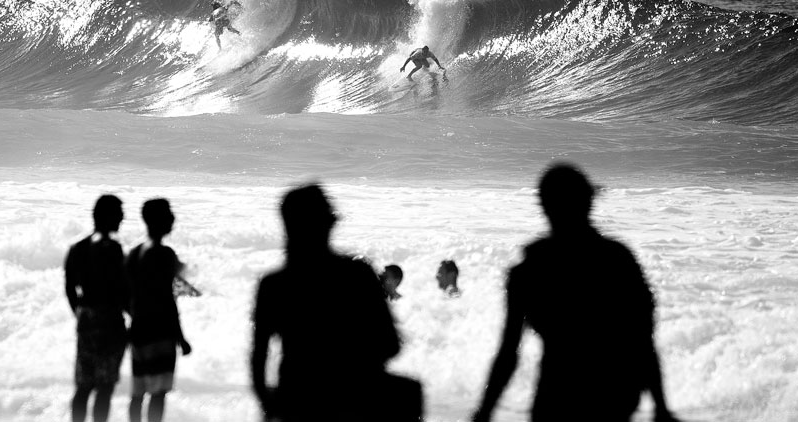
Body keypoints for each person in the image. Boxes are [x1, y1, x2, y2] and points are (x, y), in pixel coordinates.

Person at [471, 163, 681, 422]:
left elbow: (508, 351)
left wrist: (484, 412)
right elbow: (641, 341)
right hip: (613, 396)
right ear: (589, 202)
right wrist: (661, 406)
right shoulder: (617, 260)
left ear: (544, 206)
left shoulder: (530, 269)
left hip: (555, 396)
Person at [250, 184, 422, 422]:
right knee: (409, 392)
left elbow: (258, 359)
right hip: (355, 398)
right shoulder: (358, 274)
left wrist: (268, 402)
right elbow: (390, 345)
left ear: (287, 226)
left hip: (296, 397)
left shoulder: (272, 285)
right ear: (329, 224)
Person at [126, 198, 192, 422]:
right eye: (169, 214)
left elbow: (125, 294)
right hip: (161, 332)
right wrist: (181, 337)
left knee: (138, 392)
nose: (173, 218)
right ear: (163, 220)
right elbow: (167, 299)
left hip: (138, 330)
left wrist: (135, 318)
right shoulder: (164, 254)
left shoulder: (134, 254)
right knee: (158, 393)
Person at [65, 195, 128, 422]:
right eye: (119, 213)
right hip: (110, 321)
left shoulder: (76, 249)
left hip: (86, 321)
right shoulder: (113, 248)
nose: (123, 217)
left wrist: (82, 315)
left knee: (83, 386)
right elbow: (121, 290)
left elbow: (70, 290)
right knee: (105, 387)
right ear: (107, 216)